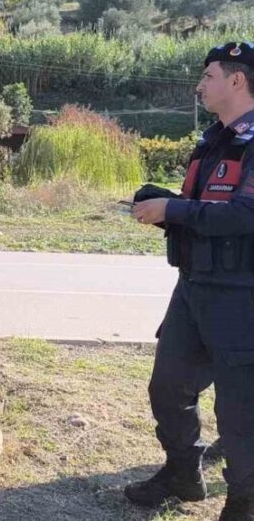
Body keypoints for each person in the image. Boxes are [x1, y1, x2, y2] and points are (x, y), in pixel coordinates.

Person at [126, 42, 254, 521]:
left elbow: (246, 214)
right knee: (169, 386)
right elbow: (207, 214)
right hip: (194, 287)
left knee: (241, 410)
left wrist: (173, 209)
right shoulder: (214, 140)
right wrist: (160, 208)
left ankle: (243, 501)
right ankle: (183, 473)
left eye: (208, 76)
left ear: (237, 80)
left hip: (241, 296)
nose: (200, 86)